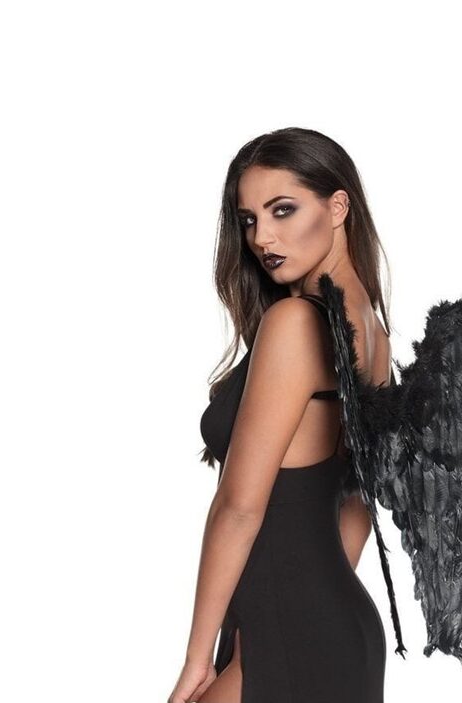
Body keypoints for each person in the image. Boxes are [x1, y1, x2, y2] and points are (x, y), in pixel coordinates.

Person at [168, 126, 393, 703]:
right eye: (248, 219)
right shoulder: (374, 334)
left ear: (337, 206)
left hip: (290, 633)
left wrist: (198, 659)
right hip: (332, 628)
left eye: (282, 209)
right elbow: (358, 503)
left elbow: (240, 508)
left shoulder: (294, 323)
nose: (261, 236)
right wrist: (294, 607)